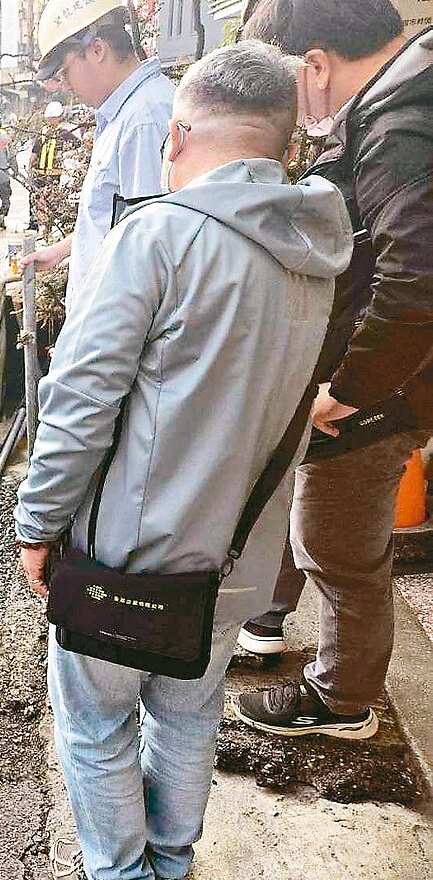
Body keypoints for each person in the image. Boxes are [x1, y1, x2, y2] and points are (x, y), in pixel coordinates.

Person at [14, 42, 352, 880]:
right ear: (283, 144)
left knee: (96, 721)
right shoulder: (314, 254)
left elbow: (81, 399)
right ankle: (172, 859)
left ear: (177, 136)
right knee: (187, 712)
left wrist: (36, 523)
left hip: (133, 558)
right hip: (237, 564)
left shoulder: (159, 236)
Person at [234, 1, 433, 741]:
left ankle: (341, 700)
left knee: (338, 545)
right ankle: (307, 657)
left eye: (287, 84)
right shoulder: (401, 102)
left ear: (315, 64)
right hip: (388, 376)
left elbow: (415, 281)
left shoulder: (397, 126)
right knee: (326, 531)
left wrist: (344, 393)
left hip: (384, 389)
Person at [18, 0, 174, 307]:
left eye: (65, 72)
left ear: (97, 50)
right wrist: (62, 250)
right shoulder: (125, 114)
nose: (65, 85)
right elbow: (117, 221)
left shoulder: (144, 120)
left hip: (115, 329)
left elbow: (147, 254)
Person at [26, 100, 81, 232]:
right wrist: (29, 167)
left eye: (53, 118)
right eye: (49, 118)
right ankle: (34, 224)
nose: (50, 120)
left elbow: (78, 144)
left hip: (54, 174)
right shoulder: (43, 133)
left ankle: (49, 226)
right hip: (40, 172)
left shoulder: (64, 133)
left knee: (51, 200)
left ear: (59, 118)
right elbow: (35, 152)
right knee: (34, 197)